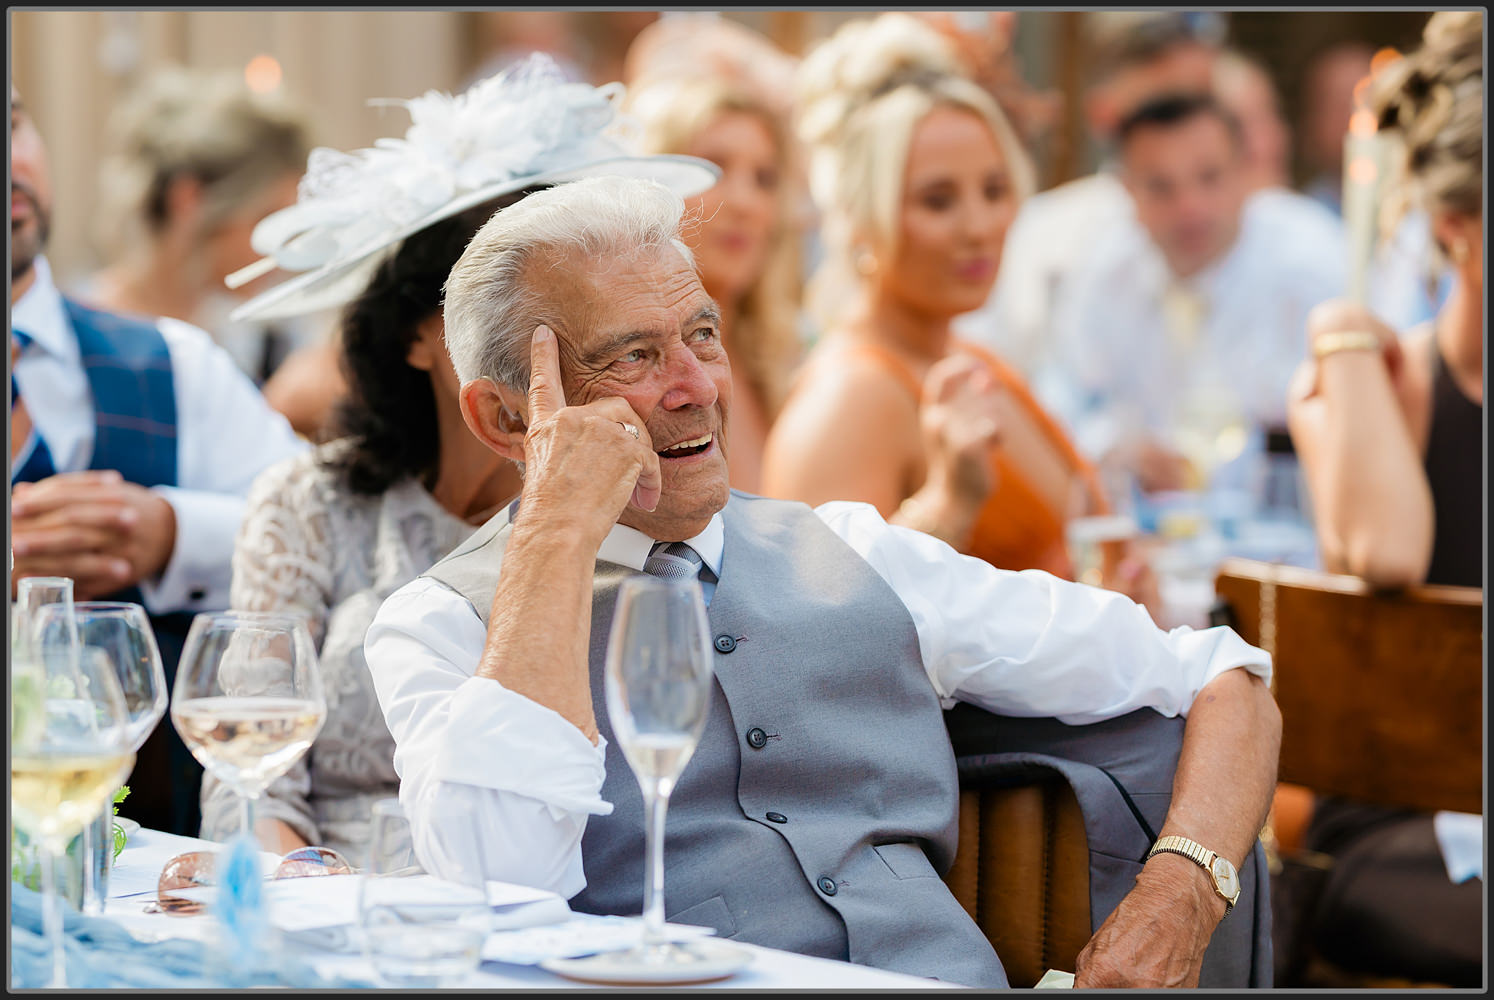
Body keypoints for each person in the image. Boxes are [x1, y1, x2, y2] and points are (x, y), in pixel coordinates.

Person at [363, 173, 1282, 988]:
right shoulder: (438, 623)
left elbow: (1224, 677)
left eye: (703, 336)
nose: (696, 387)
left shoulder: (856, 552)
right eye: (634, 356)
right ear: (505, 418)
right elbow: (497, 890)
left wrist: (1179, 897)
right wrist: (556, 532)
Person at [196, 55, 719, 859]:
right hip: (329, 892)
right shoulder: (309, 503)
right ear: (417, 334)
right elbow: (249, 780)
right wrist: (307, 898)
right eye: (486, 289)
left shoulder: (642, 496)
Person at [760, 13, 1151, 605]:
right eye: (938, 200)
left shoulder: (976, 362)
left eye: (994, 191)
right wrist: (948, 504)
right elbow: (816, 624)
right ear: (862, 219)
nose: (979, 227)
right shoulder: (850, 397)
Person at [9, 85, 307, 837]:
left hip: (138, 851)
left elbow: (320, 532)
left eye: (11, 122)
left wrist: (172, 534)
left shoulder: (177, 364)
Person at [1285, 13, 1482, 984]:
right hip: (1401, 838)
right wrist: (1342, 333)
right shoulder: (1386, 381)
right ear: (1457, 226)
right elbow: (1389, 552)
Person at [1051, 93, 1345, 499]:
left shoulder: (1313, 262)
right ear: (1127, 191)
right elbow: (1062, 401)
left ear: (1245, 172)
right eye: (1161, 187)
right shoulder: (1107, 269)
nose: (1189, 206)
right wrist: (1116, 448)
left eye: (1209, 177)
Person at [956, 11, 1225, 378]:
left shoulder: (1277, 233)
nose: (1189, 128)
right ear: (1104, 113)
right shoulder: (1042, 241)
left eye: (1204, 101)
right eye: (1164, 109)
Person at [623, 16, 804, 493]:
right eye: (714, 169)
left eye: (764, 179)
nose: (744, 202)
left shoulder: (780, 359)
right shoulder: (626, 373)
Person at [81, 67, 324, 389]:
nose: (281, 250)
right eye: (266, 219)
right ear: (190, 199)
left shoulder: (254, 339)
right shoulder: (88, 336)